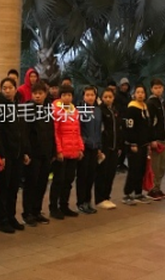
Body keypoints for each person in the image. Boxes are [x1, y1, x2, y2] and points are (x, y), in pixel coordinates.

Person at [0, 78, 29, 233]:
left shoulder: (19, 107)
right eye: (4, 88)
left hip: (18, 153)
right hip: (5, 155)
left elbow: (23, 132)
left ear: (16, 89)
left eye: (10, 88)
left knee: (14, 187)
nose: (7, 90)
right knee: (3, 188)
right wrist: (1, 155)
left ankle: (11, 216)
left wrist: (25, 152)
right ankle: (2, 220)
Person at [22, 81, 54, 226]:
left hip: (46, 153)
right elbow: (25, 133)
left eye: (40, 93)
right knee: (31, 184)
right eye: (35, 93)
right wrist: (26, 152)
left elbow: (50, 131)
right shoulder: (28, 109)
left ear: (45, 94)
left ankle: (37, 211)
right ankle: (27, 213)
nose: (37, 96)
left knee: (42, 183)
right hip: (33, 154)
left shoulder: (48, 109)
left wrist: (52, 151)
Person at [49, 85, 83, 220]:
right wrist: (58, 150)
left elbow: (78, 131)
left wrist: (80, 148)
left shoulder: (75, 111)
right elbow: (55, 132)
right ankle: (53, 207)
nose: (67, 97)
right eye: (64, 95)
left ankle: (64, 205)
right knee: (58, 180)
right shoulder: (56, 111)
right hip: (62, 151)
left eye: (69, 95)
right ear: (60, 96)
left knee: (69, 180)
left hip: (73, 150)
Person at [122, 85, 154, 205]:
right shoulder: (132, 108)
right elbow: (129, 127)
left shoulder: (145, 107)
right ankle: (127, 194)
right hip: (134, 145)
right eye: (138, 92)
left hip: (144, 144)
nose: (140, 94)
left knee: (141, 169)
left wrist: (149, 143)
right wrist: (132, 143)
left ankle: (138, 193)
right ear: (134, 94)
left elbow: (147, 127)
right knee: (133, 169)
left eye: (142, 92)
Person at [76, 86, 102, 215]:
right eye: (87, 95)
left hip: (94, 146)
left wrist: (99, 147)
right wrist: (83, 143)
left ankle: (88, 201)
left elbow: (99, 130)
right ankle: (81, 202)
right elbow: (79, 129)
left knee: (91, 175)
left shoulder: (98, 110)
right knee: (82, 176)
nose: (90, 97)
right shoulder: (80, 111)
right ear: (83, 97)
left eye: (92, 95)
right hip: (84, 147)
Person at [95, 88, 122, 210]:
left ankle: (107, 196)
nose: (108, 99)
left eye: (110, 97)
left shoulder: (115, 111)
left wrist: (119, 146)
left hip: (114, 147)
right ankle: (100, 199)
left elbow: (118, 129)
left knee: (111, 173)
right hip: (104, 148)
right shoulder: (100, 111)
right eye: (105, 97)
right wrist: (99, 148)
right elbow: (99, 131)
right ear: (101, 98)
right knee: (102, 174)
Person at [147, 78, 165, 200]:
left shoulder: (163, 103)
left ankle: (158, 188)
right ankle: (152, 189)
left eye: (160, 87)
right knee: (155, 166)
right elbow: (149, 123)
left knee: (162, 166)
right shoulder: (151, 103)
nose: (158, 90)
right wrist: (152, 139)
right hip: (156, 140)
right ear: (151, 89)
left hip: (164, 139)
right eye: (155, 88)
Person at [115, 78, 131, 173]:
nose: (125, 87)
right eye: (123, 85)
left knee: (125, 144)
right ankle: (117, 163)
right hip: (120, 121)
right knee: (120, 143)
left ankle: (122, 163)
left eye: (126, 85)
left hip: (127, 122)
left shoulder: (128, 96)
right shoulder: (117, 96)